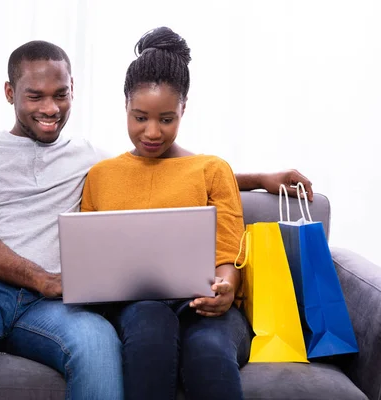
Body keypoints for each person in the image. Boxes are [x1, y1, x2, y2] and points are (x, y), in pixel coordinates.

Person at [0, 38, 313, 399]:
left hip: (56, 305)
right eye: (35, 96)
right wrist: (42, 278)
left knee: (100, 349)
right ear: (10, 93)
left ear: (74, 90)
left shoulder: (91, 160)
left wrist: (258, 178)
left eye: (61, 94)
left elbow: (166, 170)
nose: (50, 108)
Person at [80, 27, 263, 400]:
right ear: (125, 107)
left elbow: (229, 254)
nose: (152, 132)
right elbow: (92, 262)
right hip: (136, 307)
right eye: (139, 117)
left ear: (183, 109)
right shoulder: (101, 176)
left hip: (206, 306)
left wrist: (226, 290)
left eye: (166, 119)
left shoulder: (212, 169)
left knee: (208, 353)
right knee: (150, 331)